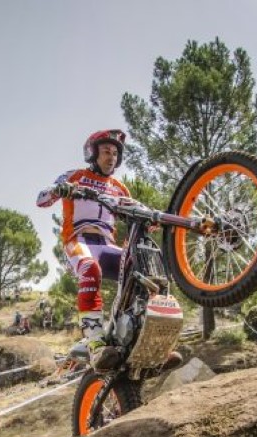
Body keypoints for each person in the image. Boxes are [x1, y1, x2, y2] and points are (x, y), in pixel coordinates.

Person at [37, 128, 180, 371]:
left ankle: (150, 344)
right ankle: (95, 343)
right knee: (90, 269)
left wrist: (153, 218)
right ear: (92, 154)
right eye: (106, 151)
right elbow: (41, 199)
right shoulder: (76, 175)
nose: (111, 157)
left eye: (115, 153)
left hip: (107, 245)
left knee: (149, 274)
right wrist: (58, 190)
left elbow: (139, 209)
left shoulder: (119, 188)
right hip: (79, 240)